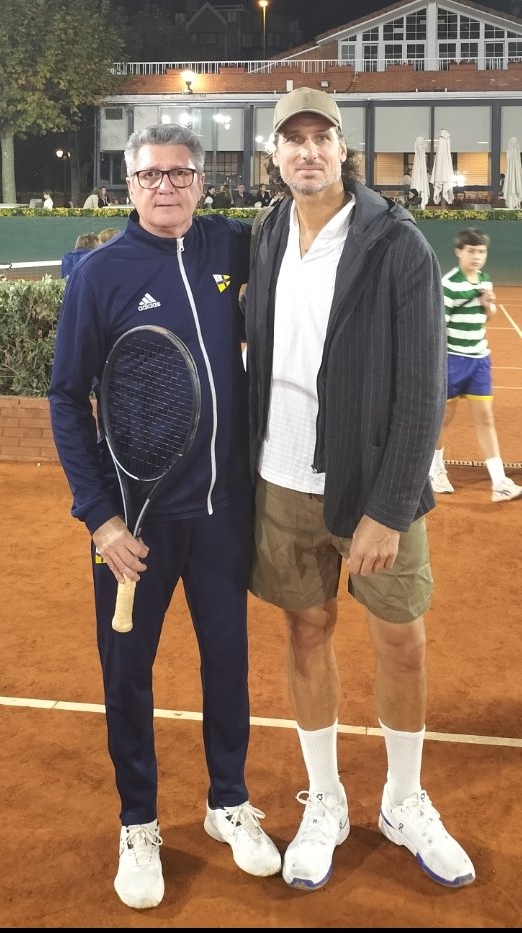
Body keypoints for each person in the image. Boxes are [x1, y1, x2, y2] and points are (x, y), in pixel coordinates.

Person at [244, 87, 476, 892]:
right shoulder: (267, 232)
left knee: (401, 638)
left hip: (373, 489)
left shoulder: (396, 245)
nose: (306, 151)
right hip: (281, 478)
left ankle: (404, 798)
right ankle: (328, 799)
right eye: (292, 139)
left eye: (321, 137)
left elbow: (421, 388)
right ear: (274, 156)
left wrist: (387, 504)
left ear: (342, 148)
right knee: (306, 632)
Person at [48, 122, 281, 911]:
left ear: (202, 179)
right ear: (128, 183)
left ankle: (227, 801)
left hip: (221, 515)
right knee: (126, 678)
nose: (166, 187)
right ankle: (138, 820)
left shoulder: (229, 247)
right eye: (150, 176)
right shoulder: (99, 274)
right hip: (134, 526)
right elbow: (64, 398)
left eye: (180, 174)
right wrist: (101, 520)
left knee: (227, 665)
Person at [429, 228, 522, 502]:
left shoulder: (485, 280)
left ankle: (499, 482)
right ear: (459, 251)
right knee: (443, 420)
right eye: (471, 251)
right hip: (452, 361)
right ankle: (435, 470)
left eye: (481, 251)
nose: (477, 256)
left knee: (486, 419)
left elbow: (488, 317)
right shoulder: (448, 284)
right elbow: (438, 327)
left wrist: (487, 304)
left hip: (480, 360)